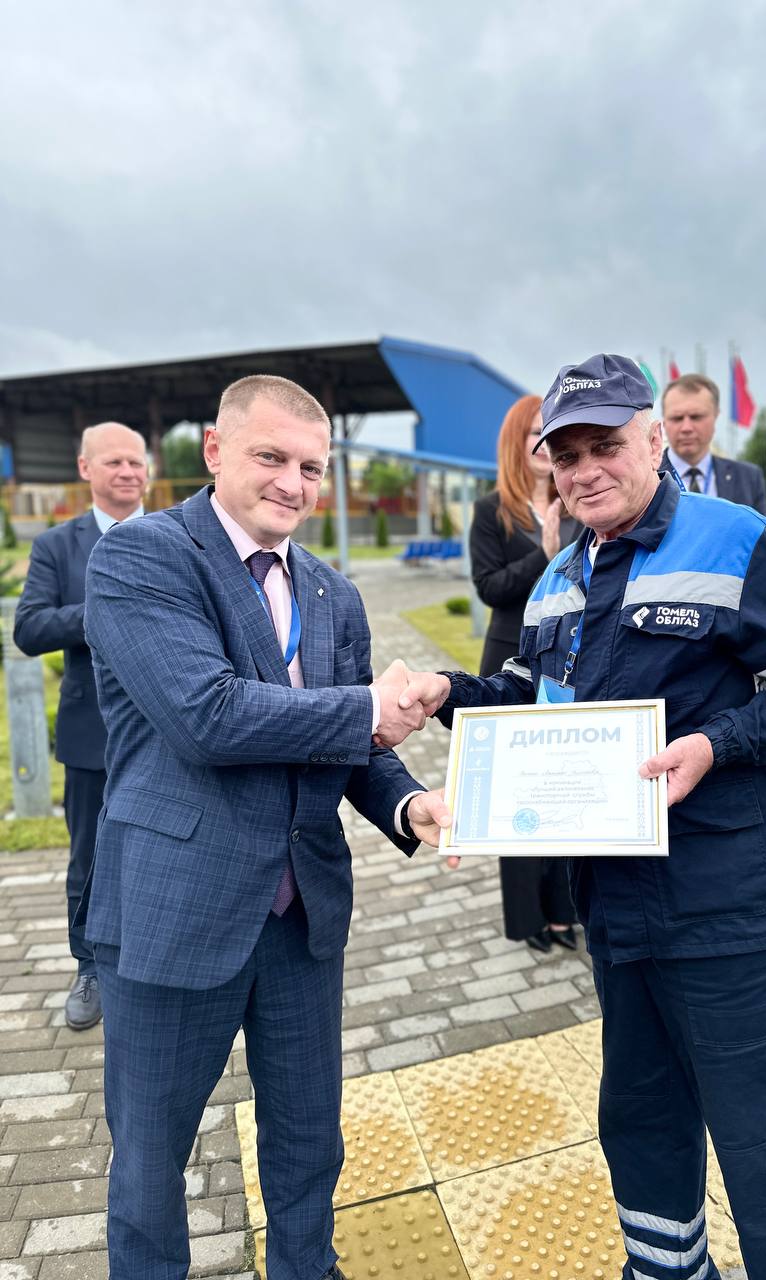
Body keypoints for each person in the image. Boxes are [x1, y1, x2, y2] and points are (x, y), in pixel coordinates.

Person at [399, 353, 766, 1280]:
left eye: (606, 446)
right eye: (566, 454)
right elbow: (535, 697)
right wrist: (448, 692)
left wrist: (718, 745)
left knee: (761, 1125)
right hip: (612, 905)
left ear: (655, 440)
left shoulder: (735, 540)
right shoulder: (558, 575)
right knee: (641, 1114)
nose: (585, 471)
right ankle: (665, 1269)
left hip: (720, 903)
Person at [82, 375, 448, 1280]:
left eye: (312, 468)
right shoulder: (144, 557)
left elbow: (352, 748)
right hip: (175, 913)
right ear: (215, 451)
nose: (293, 482)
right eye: (271, 457)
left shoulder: (334, 594)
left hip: (299, 919)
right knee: (151, 1162)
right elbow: (206, 716)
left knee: (309, 1141)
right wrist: (368, 709)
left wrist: (408, 803)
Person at [14, 421, 148, 1030]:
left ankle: (152, 959)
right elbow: (30, 628)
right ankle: (90, 967)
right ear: (86, 468)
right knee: (88, 858)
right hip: (91, 732)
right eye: (114, 462)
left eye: (136, 462)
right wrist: (104, 608)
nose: (128, 472)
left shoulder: (178, 535)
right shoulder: (56, 547)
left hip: (169, 729)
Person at [470, 393, 581, 953]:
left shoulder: (579, 501)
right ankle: (527, 917)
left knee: (563, 784)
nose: (542, 442)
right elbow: (489, 587)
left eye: (549, 431)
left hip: (567, 659)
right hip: (508, 658)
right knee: (516, 793)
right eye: (533, 432)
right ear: (515, 442)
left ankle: (564, 910)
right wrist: (545, 552)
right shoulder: (492, 510)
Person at [661, 373, 766, 514]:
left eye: (696, 417)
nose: (686, 428)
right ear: (664, 422)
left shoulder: (748, 479)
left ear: (716, 416)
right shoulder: (646, 478)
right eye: (677, 418)